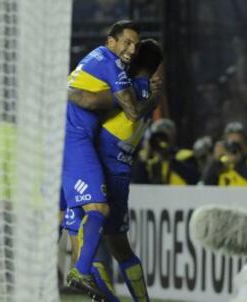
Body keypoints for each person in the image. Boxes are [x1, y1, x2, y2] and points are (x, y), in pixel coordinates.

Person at [62, 38, 164, 302]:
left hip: (96, 168)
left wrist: (65, 90)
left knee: (81, 245)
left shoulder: (126, 93)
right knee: (121, 249)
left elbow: (89, 101)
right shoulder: (150, 97)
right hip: (121, 173)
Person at [202, 121, 247, 186]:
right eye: (231, 143)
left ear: (246, 142)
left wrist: (239, 163)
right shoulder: (224, 160)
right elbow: (207, 185)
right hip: (225, 201)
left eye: (238, 143)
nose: (235, 148)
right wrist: (215, 161)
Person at [132, 118, 200, 185]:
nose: (160, 142)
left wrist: (171, 160)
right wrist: (145, 159)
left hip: (181, 194)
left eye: (163, 137)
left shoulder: (185, 155)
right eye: (157, 139)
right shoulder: (147, 161)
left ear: (173, 136)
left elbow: (195, 179)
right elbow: (137, 186)